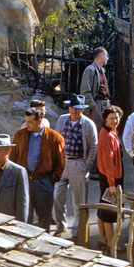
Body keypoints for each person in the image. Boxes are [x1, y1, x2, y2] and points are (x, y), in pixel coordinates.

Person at [10, 108, 65, 231]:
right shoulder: (20, 134)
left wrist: (51, 181)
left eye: (30, 122)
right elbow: (13, 157)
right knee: (24, 217)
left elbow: (60, 163)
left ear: (39, 121)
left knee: (44, 219)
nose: (27, 124)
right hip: (24, 181)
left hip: (44, 182)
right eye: (26, 121)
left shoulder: (55, 138)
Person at [53, 94, 98, 240]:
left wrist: (86, 165)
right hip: (63, 162)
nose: (74, 111)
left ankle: (77, 232)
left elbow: (93, 146)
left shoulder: (88, 124)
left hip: (78, 163)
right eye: (72, 108)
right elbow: (56, 140)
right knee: (57, 196)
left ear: (82, 110)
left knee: (79, 202)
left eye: (78, 109)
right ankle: (60, 226)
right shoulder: (62, 120)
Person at [97, 105, 124, 251]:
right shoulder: (107, 136)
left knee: (102, 207)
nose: (115, 121)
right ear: (105, 119)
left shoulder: (109, 131)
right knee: (109, 211)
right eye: (111, 118)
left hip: (106, 176)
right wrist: (112, 184)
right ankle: (111, 243)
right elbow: (108, 161)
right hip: (110, 177)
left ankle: (102, 239)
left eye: (116, 118)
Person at [80, 46, 110, 129]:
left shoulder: (102, 70)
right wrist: (94, 107)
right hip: (97, 104)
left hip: (105, 104)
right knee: (97, 131)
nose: (108, 58)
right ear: (101, 56)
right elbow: (85, 92)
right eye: (106, 55)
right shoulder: (90, 70)